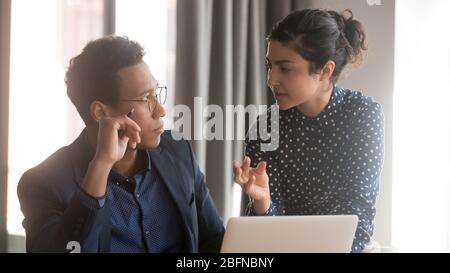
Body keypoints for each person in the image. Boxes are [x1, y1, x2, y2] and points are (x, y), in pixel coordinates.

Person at [17, 36, 224, 253]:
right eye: (146, 98)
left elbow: (215, 242)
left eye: (156, 93)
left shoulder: (177, 150)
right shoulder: (45, 183)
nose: (160, 110)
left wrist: (259, 212)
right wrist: (101, 165)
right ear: (100, 112)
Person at [232, 9, 384, 252]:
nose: (271, 79)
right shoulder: (264, 128)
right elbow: (266, 234)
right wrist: (263, 201)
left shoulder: (362, 115)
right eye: (270, 66)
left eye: (285, 68)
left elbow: (358, 211)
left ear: (324, 71)